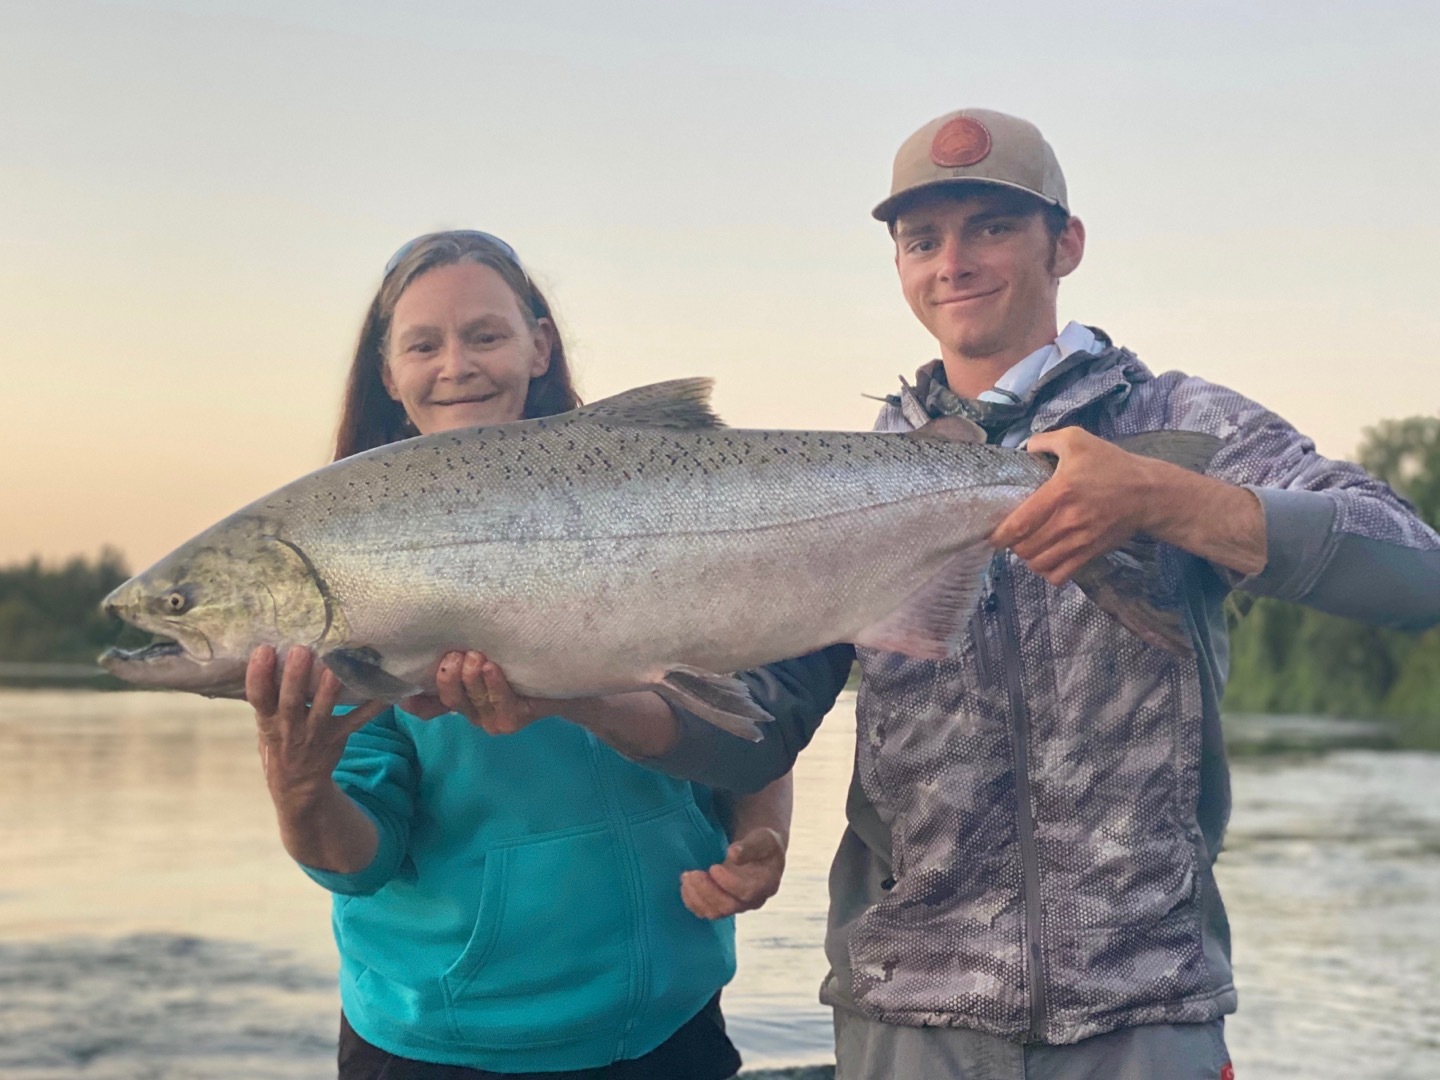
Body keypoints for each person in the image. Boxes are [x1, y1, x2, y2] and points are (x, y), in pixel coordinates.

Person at [436, 110, 1440, 1079]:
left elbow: (1415, 571)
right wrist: (567, 697)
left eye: (992, 226)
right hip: (906, 1017)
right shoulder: (842, 482)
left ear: (1067, 243)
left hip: (1149, 1014)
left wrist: (1161, 497)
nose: (953, 261)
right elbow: (757, 724)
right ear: (902, 266)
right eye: (923, 239)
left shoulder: (1186, 422)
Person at [245, 230, 793, 1080]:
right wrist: (298, 790)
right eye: (424, 344)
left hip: (673, 1026)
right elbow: (361, 860)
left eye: (486, 335)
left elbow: (746, 707)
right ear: (389, 375)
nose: (456, 365)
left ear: (539, 345)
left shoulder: (658, 509)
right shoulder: (343, 571)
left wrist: (762, 836)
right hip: (448, 1050)